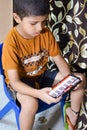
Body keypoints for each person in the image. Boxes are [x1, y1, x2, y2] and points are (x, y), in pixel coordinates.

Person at [2, 0, 85, 130]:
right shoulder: (11, 43)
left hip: (41, 75)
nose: (40, 28)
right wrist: (38, 94)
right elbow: (14, 83)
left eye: (44, 22)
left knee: (80, 79)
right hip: (21, 83)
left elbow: (59, 60)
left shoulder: (45, 33)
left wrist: (69, 80)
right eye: (34, 23)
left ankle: (72, 114)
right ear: (17, 18)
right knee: (31, 104)